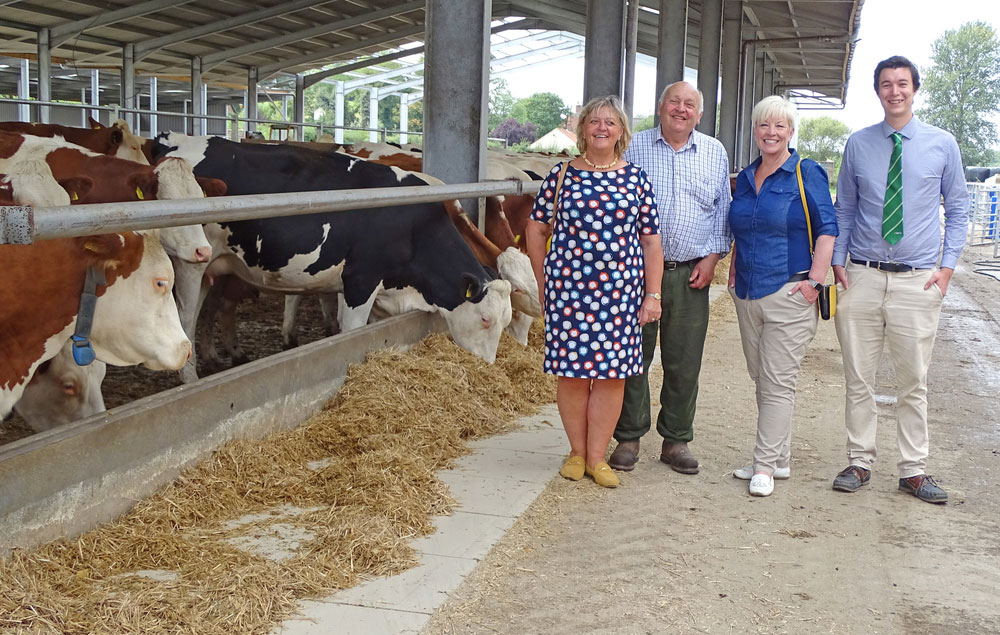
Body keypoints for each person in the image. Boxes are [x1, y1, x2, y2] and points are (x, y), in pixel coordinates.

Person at [831, 55, 969, 504]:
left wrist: (946, 269)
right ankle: (859, 460)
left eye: (903, 83)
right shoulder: (859, 144)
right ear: (878, 91)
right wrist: (838, 262)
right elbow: (846, 209)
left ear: (914, 89)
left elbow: (960, 209)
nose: (895, 91)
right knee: (858, 377)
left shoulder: (941, 144)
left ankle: (913, 470)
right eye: (887, 84)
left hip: (917, 281)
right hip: (863, 275)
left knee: (914, 381)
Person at [525, 95, 664, 488]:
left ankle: (598, 457)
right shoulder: (561, 174)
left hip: (620, 295)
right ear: (582, 128)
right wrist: (542, 278)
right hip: (569, 292)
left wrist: (652, 295)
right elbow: (536, 229)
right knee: (570, 375)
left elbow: (651, 241)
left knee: (611, 377)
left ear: (621, 132)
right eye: (594, 122)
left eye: (611, 122)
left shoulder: (635, 178)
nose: (602, 128)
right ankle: (576, 453)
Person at [607, 81, 732, 474]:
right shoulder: (633, 147)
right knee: (632, 357)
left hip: (692, 272)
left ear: (699, 114)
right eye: (674, 102)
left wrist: (712, 259)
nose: (681, 109)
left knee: (684, 360)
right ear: (660, 107)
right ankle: (629, 436)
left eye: (689, 104)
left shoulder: (714, 152)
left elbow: (721, 214)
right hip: (636, 274)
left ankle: (676, 439)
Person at [727, 96, 838, 497]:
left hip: (791, 291)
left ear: (791, 132)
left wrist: (815, 281)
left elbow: (828, 228)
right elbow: (739, 229)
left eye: (780, 126)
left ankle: (764, 466)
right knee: (762, 377)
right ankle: (781, 456)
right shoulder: (747, 175)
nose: (771, 133)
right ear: (755, 131)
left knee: (776, 382)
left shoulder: (806, 172)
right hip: (746, 292)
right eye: (764, 126)